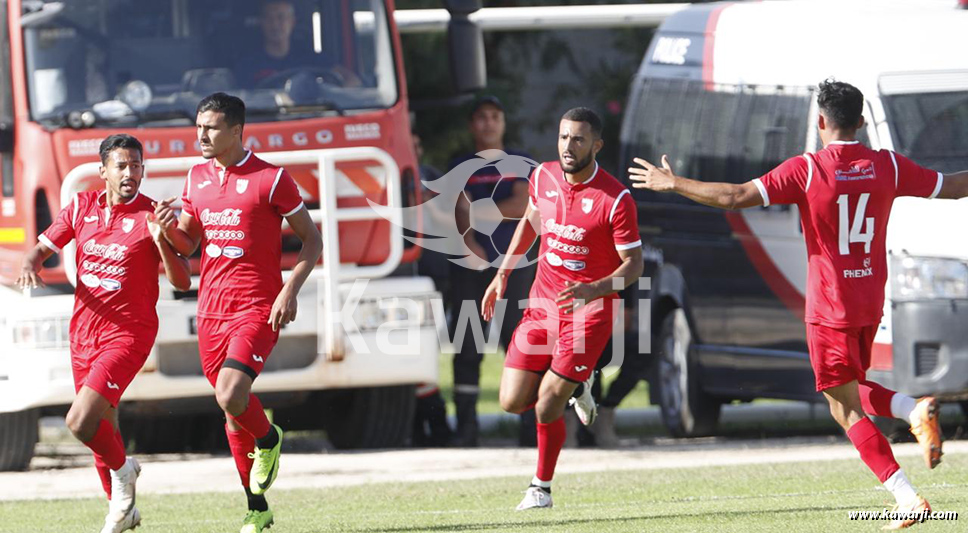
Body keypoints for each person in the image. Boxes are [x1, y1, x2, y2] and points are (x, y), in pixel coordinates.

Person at [629, 79, 967, 530]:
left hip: (829, 306)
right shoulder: (888, 165)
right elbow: (955, 187)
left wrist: (673, 183)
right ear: (862, 122)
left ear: (821, 121)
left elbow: (734, 196)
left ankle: (906, 494)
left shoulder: (808, 170)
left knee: (842, 407)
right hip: (869, 299)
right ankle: (910, 411)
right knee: (851, 389)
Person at [154, 92, 323, 533]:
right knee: (233, 412)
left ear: (236, 131)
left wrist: (290, 289)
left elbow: (313, 241)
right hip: (210, 310)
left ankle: (269, 438)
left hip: (255, 306)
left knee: (230, 394)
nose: (201, 135)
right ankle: (257, 506)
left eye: (210, 127)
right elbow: (190, 244)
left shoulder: (272, 178)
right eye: (198, 126)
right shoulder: (195, 177)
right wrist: (167, 229)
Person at [17, 134, 192, 533]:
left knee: (79, 421)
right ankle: (121, 511)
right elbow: (41, 249)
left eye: (136, 166)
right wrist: (30, 262)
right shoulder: (81, 206)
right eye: (121, 166)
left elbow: (182, 280)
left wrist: (162, 238)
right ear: (103, 171)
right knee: (102, 428)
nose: (130, 173)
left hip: (128, 334)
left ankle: (125, 471)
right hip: (84, 333)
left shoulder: (153, 214)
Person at [482, 107, 643, 510]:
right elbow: (532, 220)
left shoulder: (615, 198)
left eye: (578, 139)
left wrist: (595, 289)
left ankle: (541, 487)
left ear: (596, 145)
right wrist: (502, 272)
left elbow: (634, 266)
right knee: (511, 402)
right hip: (541, 308)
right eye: (563, 137)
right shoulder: (543, 176)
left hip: (590, 314)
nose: (568, 147)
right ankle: (578, 384)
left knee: (548, 401)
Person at [448, 95, 537, 447]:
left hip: (514, 267)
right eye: (481, 117)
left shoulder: (519, 162)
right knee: (467, 346)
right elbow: (457, 207)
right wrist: (469, 238)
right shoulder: (460, 165)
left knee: (519, 343)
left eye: (495, 116)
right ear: (473, 125)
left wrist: (479, 211)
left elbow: (522, 204)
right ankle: (465, 431)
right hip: (472, 266)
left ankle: (530, 428)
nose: (488, 123)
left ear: (503, 122)